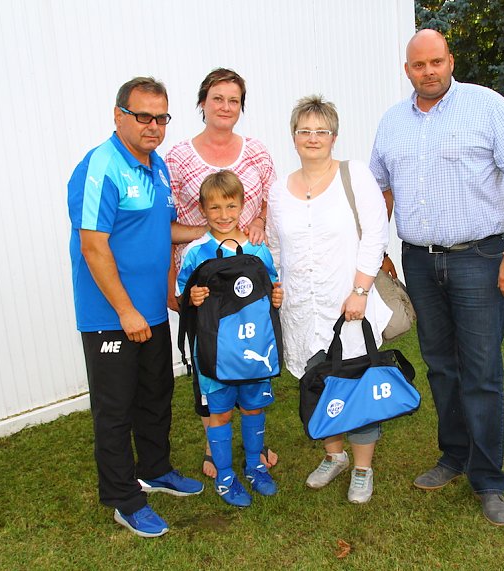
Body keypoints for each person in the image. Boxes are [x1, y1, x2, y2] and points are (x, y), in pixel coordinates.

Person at [369, 29, 504, 526]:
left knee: (482, 371)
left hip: (480, 258)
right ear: (407, 70)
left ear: (450, 61)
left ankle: (488, 480)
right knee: (441, 366)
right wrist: (376, 249)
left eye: (437, 62)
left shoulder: (487, 107)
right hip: (419, 260)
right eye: (419, 65)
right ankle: (454, 456)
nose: (429, 71)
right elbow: (380, 189)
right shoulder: (393, 122)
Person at [67, 77, 205, 538]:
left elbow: (162, 230)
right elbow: (94, 246)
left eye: (161, 117)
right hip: (112, 317)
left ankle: (157, 470)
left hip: (151, 312)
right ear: (118, 114)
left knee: (155, 396)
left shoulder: (158, 166)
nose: (153, 126)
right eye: (143, 115)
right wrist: (125, 311)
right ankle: (124, 499)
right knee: (115, 409)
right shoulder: (100, 166)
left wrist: (210, 229)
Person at [268, 95, 392, 504]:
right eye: (305, 130)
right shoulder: (280, 190)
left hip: (349, 306)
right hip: (302, 309)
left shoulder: (354, 175)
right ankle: (333, 455)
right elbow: (275, 245)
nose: (313, 138)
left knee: (356, 382)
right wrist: (275, 283)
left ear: (334, 136)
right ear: (294, 136)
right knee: (318, 382)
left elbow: (375, 235)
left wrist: (360, 291)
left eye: (321, 131)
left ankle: (362, 468)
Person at [165, 68, 278, 478]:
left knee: (249, 353)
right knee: (211, 359)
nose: (225, 106)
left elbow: (268, 204)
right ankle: (215, 449)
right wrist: (209, 235)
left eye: (233, 100)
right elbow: (164, 224)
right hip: (204, 281)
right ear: (202, 103)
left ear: (241, 107)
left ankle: (254, 443)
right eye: (217, 98)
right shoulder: (177, 158)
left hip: (248, 283)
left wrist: (261, 220)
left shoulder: (257, 153)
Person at [177, 171, 283, 508]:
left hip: (254, 351)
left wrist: (277, 297)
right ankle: (225, 475)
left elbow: (272, 286)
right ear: (203, 210)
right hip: (214, 354)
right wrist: (191, 297)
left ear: (243, 206)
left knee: (254, 409)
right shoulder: (196, 252)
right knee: (219, 414)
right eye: (215, 208)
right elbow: (181, 293)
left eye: (231, 206)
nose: (224, 215)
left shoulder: (257, 249)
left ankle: (254, 466)